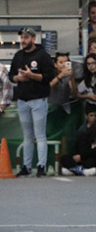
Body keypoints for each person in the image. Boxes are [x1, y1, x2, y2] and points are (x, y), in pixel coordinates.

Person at [10, 28, 55, 177]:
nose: (23, 40)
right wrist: (18, 78)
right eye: (22, 38)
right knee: (27, 135)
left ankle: (41, 165)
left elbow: (49, 76)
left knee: (40, 134)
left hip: (38, 99)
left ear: (33, 39)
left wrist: (32, 75)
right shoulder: (18, 55)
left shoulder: (43, 56)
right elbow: (11, 75)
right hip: (23, 100)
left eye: (26, 38)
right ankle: (26, 166)